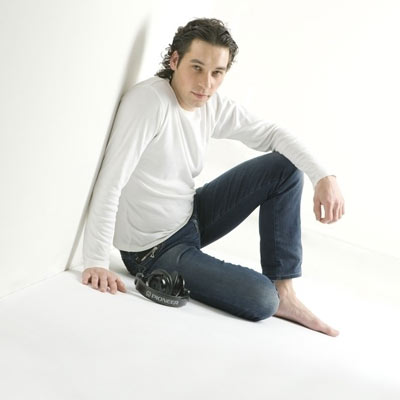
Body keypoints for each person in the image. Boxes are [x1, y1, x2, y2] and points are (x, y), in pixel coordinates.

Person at [81, 18, 344, 337]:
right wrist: (96, 260)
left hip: (189, 216)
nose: (206, 83)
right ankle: (274, 297)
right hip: (153, 251)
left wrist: (323, 176)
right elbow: (111, 181)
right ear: (174, 60)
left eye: (217, 73)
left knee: (284, 168)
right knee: (262, 300)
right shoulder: (149, 103)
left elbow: (272, 133)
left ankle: (285, 292)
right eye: (197, 67)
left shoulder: (211, 105)